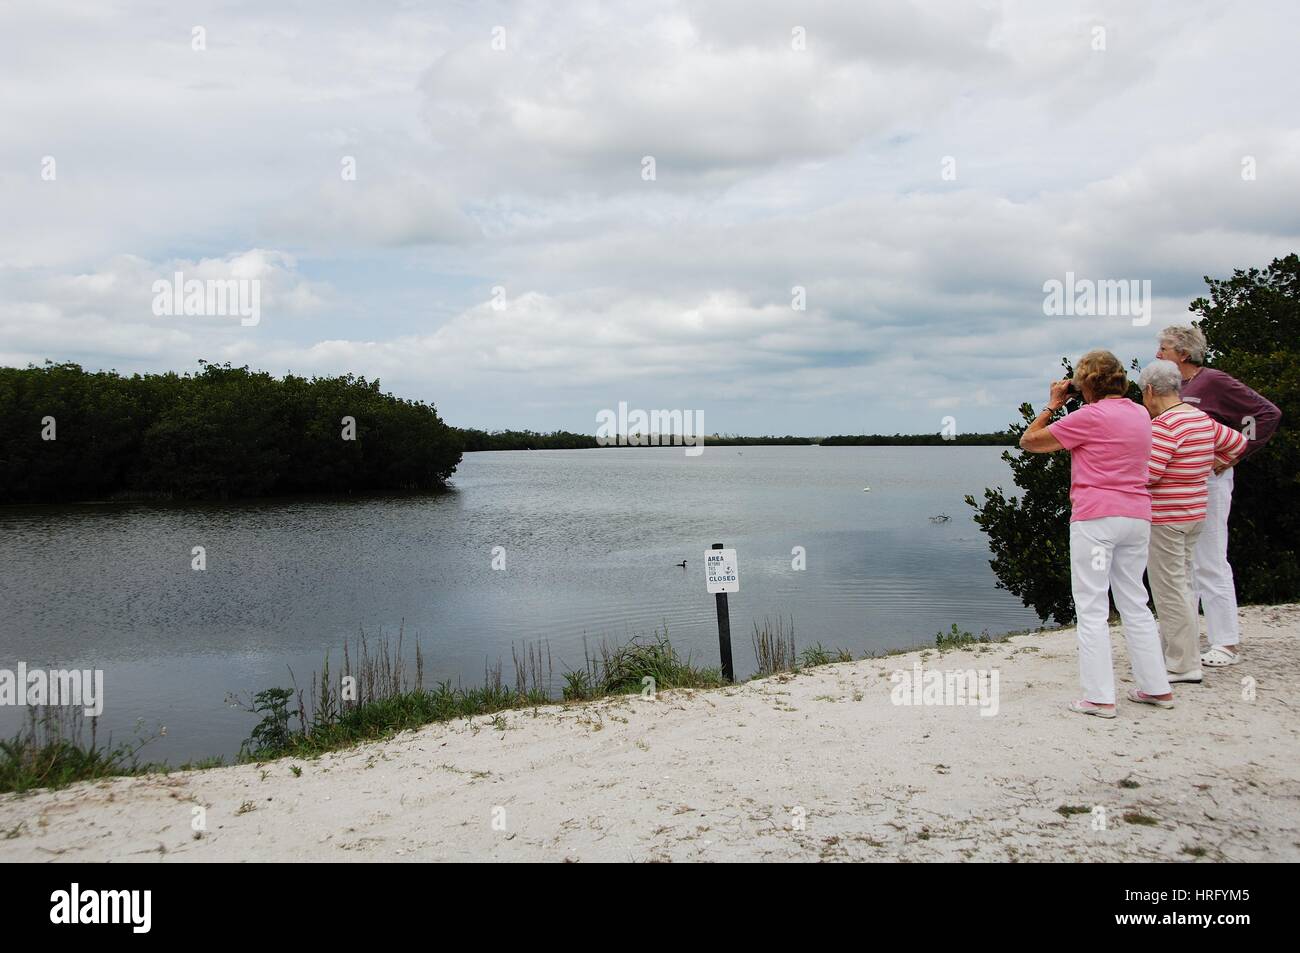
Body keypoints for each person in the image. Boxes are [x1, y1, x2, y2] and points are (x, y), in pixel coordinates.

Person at [1020, 350, 1173, 717]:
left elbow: (1030, 441)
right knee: (1135, 602)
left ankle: (1099, 697)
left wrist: (1054, 403)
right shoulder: (1140, 412)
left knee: (1091, 607)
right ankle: (1156, 687)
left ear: (1085, 383)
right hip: (1137, 516)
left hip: (1096, 520)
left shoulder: (1088, 418)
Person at [1156, 326, 1281, 666]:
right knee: (1183, 562)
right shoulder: (1180, 388)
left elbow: (1267, 414)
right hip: (1181, 483)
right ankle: (1185, 638)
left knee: (1210, 559)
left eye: (1163, 348)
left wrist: (1235, 454)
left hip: (1210, 481)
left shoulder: (1213, 381)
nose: (1158, 354)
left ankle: (1226, 642)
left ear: (1183, 353)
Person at [1138, 359, 1247, 684]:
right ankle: (1178, 652)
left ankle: (1181, 664)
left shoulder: (1165, 426)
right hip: (1194, 514)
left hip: (1167, 519)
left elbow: (1150, 474)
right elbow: (1238, 443)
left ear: (1150, 391)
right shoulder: (1200, 419)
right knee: (1183, 584)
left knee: (1170, 590)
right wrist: (1213, 464)